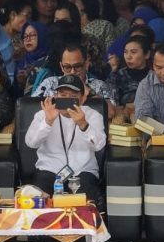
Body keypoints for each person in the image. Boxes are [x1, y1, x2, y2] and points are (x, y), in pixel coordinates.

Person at [24, 74, 106, 210]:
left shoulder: (92, 115)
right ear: (56, 96)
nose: (67, 100)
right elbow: (31, 142)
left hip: (83, 171)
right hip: (49, 170)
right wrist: (48, 122)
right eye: (63, 95)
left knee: (87, 205)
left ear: (83, 98)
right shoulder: (43, 114)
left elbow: (99, 146)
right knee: (35, 203)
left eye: (72, 96)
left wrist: (83, 125)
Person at [32, 42, 118, 118]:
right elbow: (30, 109)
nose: (73, 72)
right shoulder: (49, 84)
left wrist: (90, 94)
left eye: (77, 66)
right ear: (61, 67)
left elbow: (111, 113)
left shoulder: (99, 86)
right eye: (67, 67)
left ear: (86, 64)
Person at [107, 35, 152, 122]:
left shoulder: (154, 77)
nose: (128, 56)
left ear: (147, 54)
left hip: (151, 122)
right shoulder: (118, 76)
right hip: (123, 123)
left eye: (133, 52)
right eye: (125, 52)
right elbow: (111, 104)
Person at [16, 21, 51, 93]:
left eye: (32, 35)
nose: (28, 39)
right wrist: (20, 83)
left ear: (42, 36)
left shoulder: (49, 61)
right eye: (25, 36)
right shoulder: (21, 62)